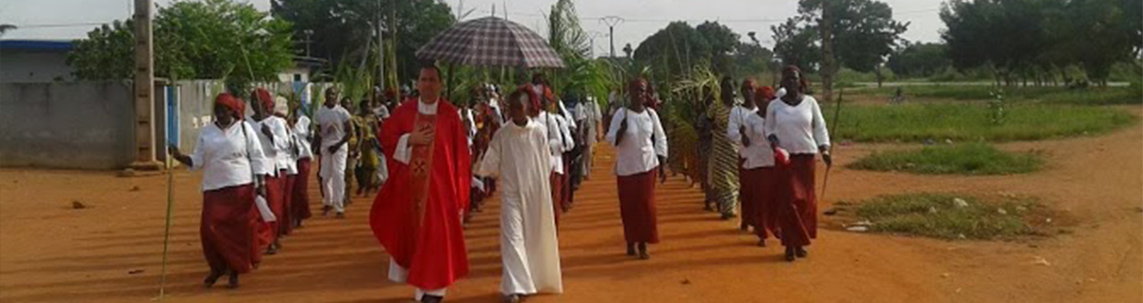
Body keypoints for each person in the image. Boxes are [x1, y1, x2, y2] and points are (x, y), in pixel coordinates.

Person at [370, 64, 471, 303]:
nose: (428, 84)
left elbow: (460, 156)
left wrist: (460, 192)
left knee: (435, 239)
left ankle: (433, 291)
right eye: (424, 79)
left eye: (433, 80)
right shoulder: (404, 113)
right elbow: (386, 138)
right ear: (417, 83)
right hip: (409, 191)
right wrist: (410, 139)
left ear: (440, 84)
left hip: (441, 191)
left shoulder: (449, 114)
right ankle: (423, 290)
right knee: (415, 239)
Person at [169, 93, 269, 289]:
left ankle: (234, 270)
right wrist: (179, 156)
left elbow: (257, 156)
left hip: (240, 185)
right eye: (218, 110)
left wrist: (261, 183)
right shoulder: (207, 132)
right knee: (209, 229)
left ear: (232, 111)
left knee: (238, 232)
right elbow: (197, 160)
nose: (221, 114)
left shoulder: (244, 129)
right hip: (214, 187)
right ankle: (217, 267)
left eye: (225, 110)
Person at [476, 87, 563, 303]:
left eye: (519, 106)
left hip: (535, 193)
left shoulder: (539, 132)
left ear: (528, 107)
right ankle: (515, 287)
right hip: (511, 195)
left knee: (533, 238)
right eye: (511, 107)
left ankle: (532, 279)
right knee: (512, 238)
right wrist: (481, 144)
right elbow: (490, 165)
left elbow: (547, 164)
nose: (514, 111)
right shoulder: (502, 134)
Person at [764, 66, 831, 262]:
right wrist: (775, 144)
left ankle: (799, 241)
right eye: (787, 79)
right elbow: (768, 129)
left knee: (805, 202)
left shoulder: (810, 103)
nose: (791, 82)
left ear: (801, 81)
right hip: (785, 159)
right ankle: (789, 244)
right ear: (783, 83)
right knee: (788, 201)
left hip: (806, 157)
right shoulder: (774, 106)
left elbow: (820, 126)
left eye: (794, 78)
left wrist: (824, 149)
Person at [606, 78, 668, 260]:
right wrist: (620, 132)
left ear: (646, 93)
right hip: (627, 168)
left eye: (642, 91)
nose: (639, 94)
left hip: (648, 166)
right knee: (629, 207)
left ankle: (643, 243)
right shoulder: (621, 114)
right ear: (629, 93)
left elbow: (661, 137)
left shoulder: (651, 114)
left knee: (646, 206)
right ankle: (630, 241)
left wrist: (663, 161)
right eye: (635, 91)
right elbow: (610, 139)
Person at [249, 88, 291, 254]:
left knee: (273, 206)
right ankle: (257, 239)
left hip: (270, 168)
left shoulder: (275, 122)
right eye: (252, 102)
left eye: (258, 102)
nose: (255, 105)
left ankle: (273, 238)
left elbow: (285, 144)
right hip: (251, 169)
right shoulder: (246, 123)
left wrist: (271, 135)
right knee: (256, 207)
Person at [739, 86, 781, 247]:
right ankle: (763, 231)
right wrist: (743, 134)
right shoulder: (751, 119)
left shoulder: (777, 118)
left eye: (765, 99)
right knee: (761, 198)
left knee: (776, 197)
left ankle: (776, 226)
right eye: (759, 100)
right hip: (758, 163)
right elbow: (747, 143)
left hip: (775, 161)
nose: (762, 103)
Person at [530, 84, 574, 226]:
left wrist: (548, 144)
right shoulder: (527, 120)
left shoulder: (553, 120)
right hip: (533, 168)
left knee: (552, 202)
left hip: (552, 166)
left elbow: (563, 143)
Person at [314, 87, 353, 218]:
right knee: (324, 176)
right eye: (329, 94)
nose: (331, 97)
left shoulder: (342, 113)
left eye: (334, 94)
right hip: (326, 146)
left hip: (340, 146)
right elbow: (318, 132)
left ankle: (339, 207)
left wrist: (337, 145)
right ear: (325, 96)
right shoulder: (320, 113)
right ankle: (328, 201)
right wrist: (316, 145)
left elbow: (349, 132)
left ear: (337, 97)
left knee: (338, 174)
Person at [728, 80, 760, 231]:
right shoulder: (736, 111)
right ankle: (747, 218)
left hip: (762, 156)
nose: (749, 92)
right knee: (747, 189)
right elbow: (731, 133)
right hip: (745, 155)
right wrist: (741, 135)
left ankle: (760, 220)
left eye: (752, 89)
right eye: (746, 89)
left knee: (760, 190)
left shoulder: (762, 109)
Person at [708, 77, 740, 220]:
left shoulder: (739, 106)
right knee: (723, 178)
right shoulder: (716, 106)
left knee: (735, 178)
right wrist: (712, 127)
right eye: (725, 87)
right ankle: (729, 208)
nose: (728, 90)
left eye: (731, 87)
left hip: (736, 148)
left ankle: (731, 204)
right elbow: (706, 121)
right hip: (720, 147)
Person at [288, 100, 314, 229]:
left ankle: (301, 215)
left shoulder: (305, 120)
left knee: (301, 189)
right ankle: (291, 216)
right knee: (292, 189)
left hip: (303, 157)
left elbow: (311, 137)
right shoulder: (284, 122)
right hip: (290, 159)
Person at [355, 104, 382, 197]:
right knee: (360, 167)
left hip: (370, 143)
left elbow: (377, 131)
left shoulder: (372, 118)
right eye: (367, 106)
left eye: (370, 106)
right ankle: (362, 185)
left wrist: (380, 142)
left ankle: (370, 186)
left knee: (373, 165)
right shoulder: (356, 118)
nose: (369, 108)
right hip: (359, 144)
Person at [580, 95, 603, 180]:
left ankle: (587, 170)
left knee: (588, 147)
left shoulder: (592, 96)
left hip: (589, 123)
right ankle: (582, 170)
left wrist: (599, 129)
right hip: (579, 120)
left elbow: (597, 115)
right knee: (582, 149)